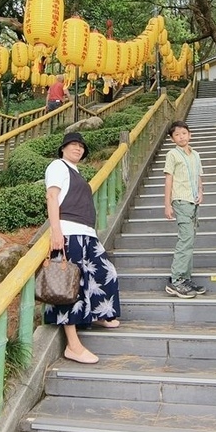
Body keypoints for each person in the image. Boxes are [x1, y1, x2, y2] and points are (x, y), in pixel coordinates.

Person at [44, 131, 121, 364]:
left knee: (106, 273)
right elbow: (51, 196)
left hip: (86, 233)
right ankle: (73, 346)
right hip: (68, 232)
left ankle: (98, 312)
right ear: (63, 148)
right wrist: (56, 231)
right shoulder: (58, 166)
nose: (78, 149)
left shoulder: (76, 171)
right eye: (73, 145)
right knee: (71, 287)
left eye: (81, 146)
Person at [163, 121, 206, 299]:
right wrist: (167, 204)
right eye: (177, 135)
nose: (181, 137)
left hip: (193, 201)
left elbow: (199, 176)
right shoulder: (172, 154)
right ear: (173, 139)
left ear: (190, 134)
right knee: (185, 239)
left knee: (190, 241)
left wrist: (201, 192)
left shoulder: (195, 155)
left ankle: (185, 278)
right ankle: (177, 280)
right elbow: (168, 179)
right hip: (180, 201)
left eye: (183, 133)